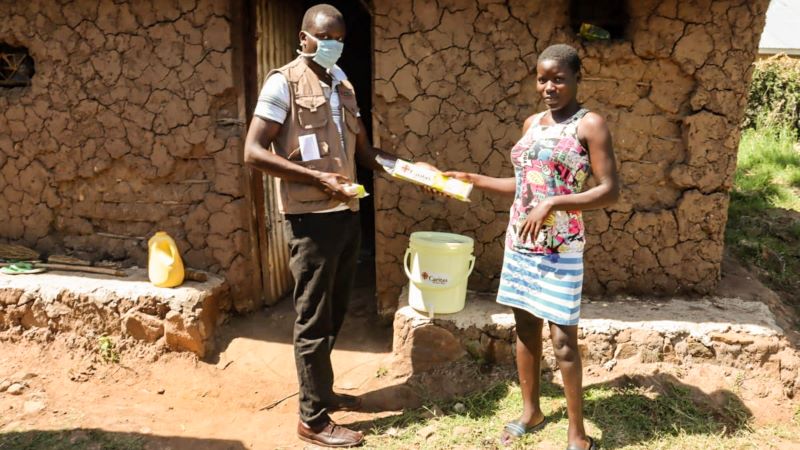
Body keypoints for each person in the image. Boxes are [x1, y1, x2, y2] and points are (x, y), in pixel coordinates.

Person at [244, 4, 437, 448]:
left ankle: (321, 392)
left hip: (347, 216)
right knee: (312, 317)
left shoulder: (342, 84)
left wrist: (412, 171)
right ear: (304, 36)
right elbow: (254, 152)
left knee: (334, 313)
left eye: (340, 39)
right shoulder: (283, 83)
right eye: (326, 37)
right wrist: (317, 179)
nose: (334, 45)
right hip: (310, 219)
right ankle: (311, 419)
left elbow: (366, 154)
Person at [445, 44, 619, 450]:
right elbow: (524, 186)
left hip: (561, 247)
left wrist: (554, 203)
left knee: (562, 340)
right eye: (542, 78)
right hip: (521, 243)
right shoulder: (532, 124)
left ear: (576, 78)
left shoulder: (590, 125)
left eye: (558, 78)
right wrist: (474, 178)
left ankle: (577, 433)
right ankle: (531, 411)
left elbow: (609, 191)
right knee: (525, 329)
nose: (549, 86)